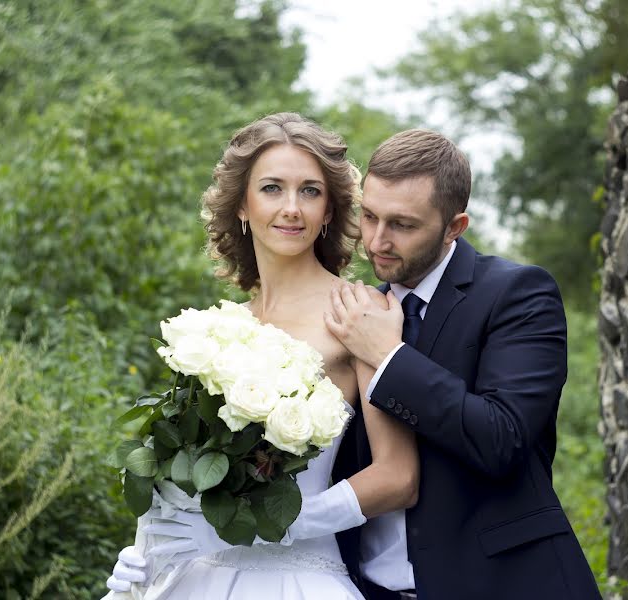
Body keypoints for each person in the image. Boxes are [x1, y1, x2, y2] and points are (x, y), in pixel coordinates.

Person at [103, 112, 419, 600]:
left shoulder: (359, 312)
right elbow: (187, 466)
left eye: (310, 191)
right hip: (194, 577)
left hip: (300, 577)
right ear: (243, 207)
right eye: (272, 188)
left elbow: (398, 476)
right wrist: (146, 551)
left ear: (330, 210)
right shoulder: (213, 332)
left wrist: (269, 525)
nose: (292, 208)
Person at [325, 129, 603, 600]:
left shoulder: (518, 294)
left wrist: (388, 358)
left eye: (403, 225)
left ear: (456, 226)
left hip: (504, 585)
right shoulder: (351, 310)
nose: (376, 240)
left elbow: (502, 438)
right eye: (369, 216)